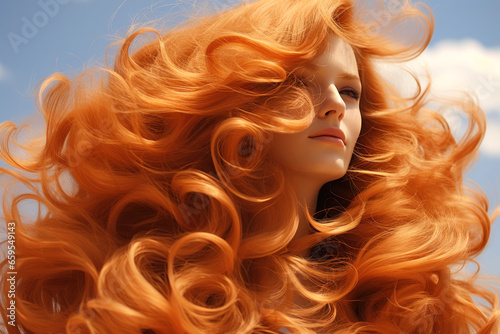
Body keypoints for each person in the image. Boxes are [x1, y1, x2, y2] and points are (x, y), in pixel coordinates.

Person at [1, 0, 499, 333]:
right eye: (298, 83)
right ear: (234, 105)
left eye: (349, 90)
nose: (332, 106)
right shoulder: (137, 283)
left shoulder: (400, 293)